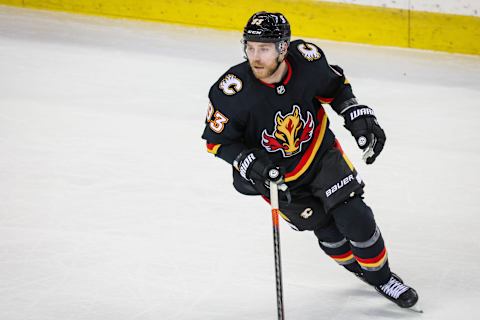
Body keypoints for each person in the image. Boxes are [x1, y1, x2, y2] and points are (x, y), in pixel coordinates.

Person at [201, 11, 418, 309]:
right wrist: (248, 161)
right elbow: (216, 142)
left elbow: (336, 89)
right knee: (327, 230)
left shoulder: (308, 61)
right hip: (278, 179)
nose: (255, 56)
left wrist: (354, 113)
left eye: (264, 48)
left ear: (283, 48)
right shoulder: (231, 91)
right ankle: (359, 269)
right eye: (250, 47)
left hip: (320, 156)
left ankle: (382, 278)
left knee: (354, 216)